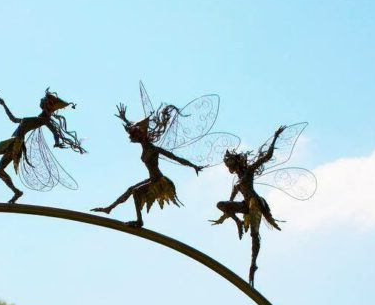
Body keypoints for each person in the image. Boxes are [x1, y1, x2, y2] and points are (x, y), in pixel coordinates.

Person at [0, 88, 85, 203]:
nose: (40, 101)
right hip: (12, 142)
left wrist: (57, 143)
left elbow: (54, 131)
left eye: (42, 100)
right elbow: (14, 120)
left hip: (17, 144)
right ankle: (15, 191)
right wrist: (4, 105)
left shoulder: (43, 119)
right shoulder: (35, 118)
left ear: (47, 105)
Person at [91, 103, 203, 227]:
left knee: (135, 192)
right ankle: (109, 208)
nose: (133, 136)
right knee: (131, 189)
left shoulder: (154, 149)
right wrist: (124, 119)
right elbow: (132, 127)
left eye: (137, 134)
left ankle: (139, 221)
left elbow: (175, 158)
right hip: (152, 179)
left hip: (159, 181)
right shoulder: (144, 147)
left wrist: (193, 166)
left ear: (143, 136)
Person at [211, 125, 286, 286]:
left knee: (254, 234)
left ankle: (253, 263)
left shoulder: (248, 172)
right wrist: (224, 218)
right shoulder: (237, 182)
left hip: (254, 203)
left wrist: (275, 137)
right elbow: (228, 205)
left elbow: (266, 156)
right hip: (245, 204)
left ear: (237, 161)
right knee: (220, 204)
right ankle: (238, 222)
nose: (228, 166)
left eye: (229, 162)